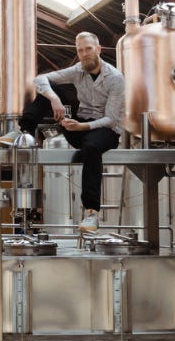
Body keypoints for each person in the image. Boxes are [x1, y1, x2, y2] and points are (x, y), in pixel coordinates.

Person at [18, 31, 124, 233]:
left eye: (88, 49)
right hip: (79, 126)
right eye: (80, 50)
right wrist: (54, 99)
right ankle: (24, 131)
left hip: (105, 131)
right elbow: (40, 79)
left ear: (98, 49)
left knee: (92, 148)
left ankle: (91, 213)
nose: (85, 54)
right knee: (49, 91)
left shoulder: (115, 78)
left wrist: (81, 126)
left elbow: (111, 118)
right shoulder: (78, 70)